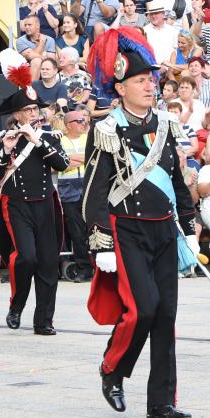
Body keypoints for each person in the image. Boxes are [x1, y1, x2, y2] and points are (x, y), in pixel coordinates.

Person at [83, 26, 195, 418]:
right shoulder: (106, 130)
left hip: (164, 228)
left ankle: (162, 403)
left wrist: (192, 224)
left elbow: (177, 179)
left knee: (166, 317)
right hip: (126, 230)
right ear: (120, 88)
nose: (151, 87)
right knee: (142, 310)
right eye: (141, 81)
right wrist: (101, 243)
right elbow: (94, 192)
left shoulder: (166, 124)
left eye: (152, 80)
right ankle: (111, 370)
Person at [0, 49, 70, 336]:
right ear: (17, 114)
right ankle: (16, 304)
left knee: (48, 262)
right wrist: (7, 150)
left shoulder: (48, 136)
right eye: (28, 111)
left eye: (36, 111)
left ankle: (44, 320)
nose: (34, 115)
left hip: (46, 203)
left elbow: (62, 164)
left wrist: (38, 140)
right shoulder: (4, 140)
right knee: (27, 257)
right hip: (17, 204)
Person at [57, 106, 94, 282]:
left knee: (94, 229)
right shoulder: (60, 141)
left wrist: (72, 159)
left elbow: (92, 158)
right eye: (79, 121)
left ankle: (99, 267)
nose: (84, 123)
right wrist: (82, 158)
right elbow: (60, 164)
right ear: (68, 124)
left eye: (84, 120)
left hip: (88, 186)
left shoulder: (89, 138)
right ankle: (84, 269)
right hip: (68, 188)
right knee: (77, 232)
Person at [17, 15, 58, 81]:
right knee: (36, 60)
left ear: (37, 26)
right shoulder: (21, 40)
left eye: (29, 25)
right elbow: (31, 56)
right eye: (25, 25)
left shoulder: (50, 39)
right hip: (27, 70)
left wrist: (37, 55)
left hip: (46, 68)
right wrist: (42, 43)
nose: (27, 27)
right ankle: (31, 89)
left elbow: (51, 60)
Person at [144, 0, 181, 65]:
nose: (153, 16)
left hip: (171, 68)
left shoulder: (173, 31)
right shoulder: (144, 31)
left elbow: (176, 51)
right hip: (152, 68)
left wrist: (170, 68)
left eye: (156, 13)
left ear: (163, 14)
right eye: (151, 14)